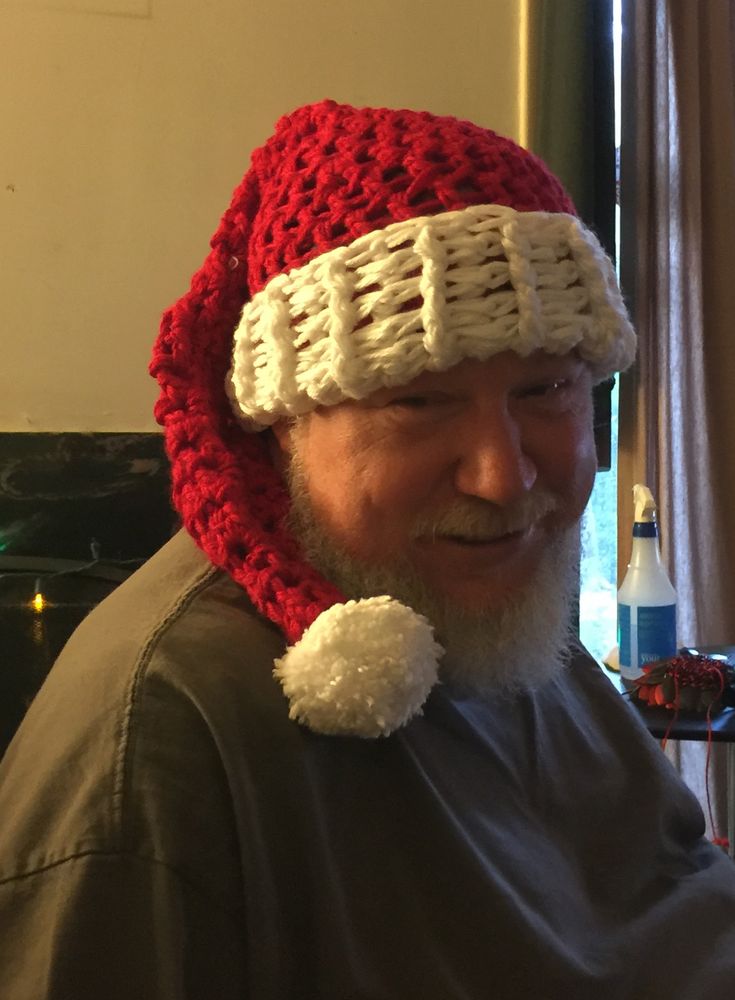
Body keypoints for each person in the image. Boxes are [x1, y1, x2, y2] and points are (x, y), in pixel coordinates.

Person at [0, 99, 733, 1000]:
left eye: (546, 388)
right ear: (279, 429)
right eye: (417, 402)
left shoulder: (490, 612)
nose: (503, 479)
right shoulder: (162, 738)